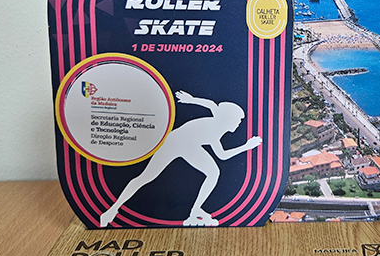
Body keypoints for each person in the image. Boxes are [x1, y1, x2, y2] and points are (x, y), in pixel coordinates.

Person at [100, 90, 262, 227]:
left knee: (213, 172)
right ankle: (113, 209)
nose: (239, 123)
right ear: (228, 118)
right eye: (238, 120)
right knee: (147, 176)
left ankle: (195, 210)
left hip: (190, 145)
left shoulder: (218, 126)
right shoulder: (216, 127)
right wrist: (246, 146)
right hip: (175, 141)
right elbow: (222, 153)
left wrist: (192, 100)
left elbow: (212, 106)